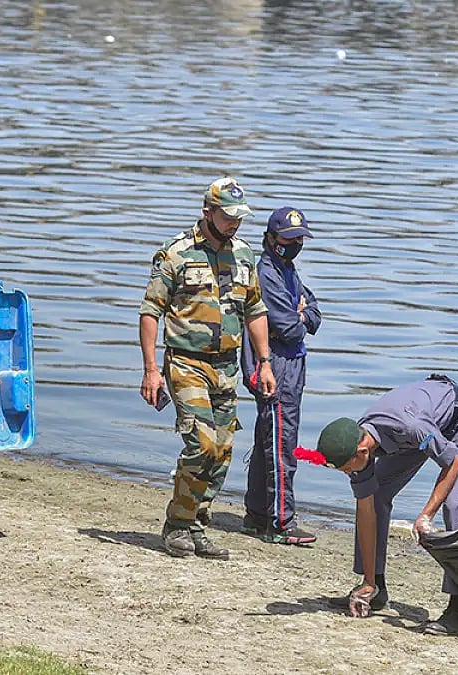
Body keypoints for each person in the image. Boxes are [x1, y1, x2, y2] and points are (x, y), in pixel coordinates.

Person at [139, 176, 277, 560]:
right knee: (200, 443)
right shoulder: (175, 254)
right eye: (228, 216)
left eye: (239, 217)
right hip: (186, 362)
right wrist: (151, 369)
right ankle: (177, 525)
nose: (235, 223)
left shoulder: (244, 256)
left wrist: (264, 362)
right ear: (207, 212)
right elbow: (151, 311)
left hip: (227, 366)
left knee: (222, 450)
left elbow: (255, 310)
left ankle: (198, 524)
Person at [302, 374, 458, 636]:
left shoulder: (411, 427)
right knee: (377, 496)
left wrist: (426, 515)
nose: (348, 474)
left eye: (346, 469)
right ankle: (376, 589)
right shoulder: (359, 442)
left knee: (453, 505)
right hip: (419, 433)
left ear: (362, 452)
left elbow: (453, 463)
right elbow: (365, 510)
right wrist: (367, 582)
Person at [239, 207, 322, 545]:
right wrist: (299, 316)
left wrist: (304, 315)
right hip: (276, 366)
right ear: (272, 239)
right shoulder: (267, 273)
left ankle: (257, 514)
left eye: (299, 238)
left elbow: (314, 312)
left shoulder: (288, 269)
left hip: (291, 363)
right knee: (281, 444)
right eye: (289, 239)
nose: (295, 244)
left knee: (267, 441)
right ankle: (281, 522)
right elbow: (289, 327)